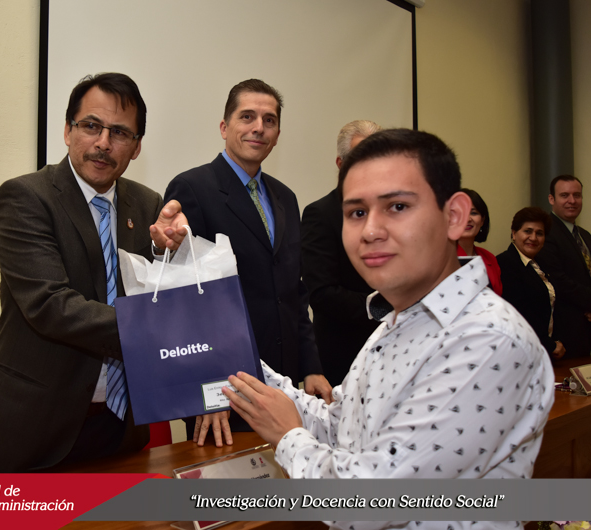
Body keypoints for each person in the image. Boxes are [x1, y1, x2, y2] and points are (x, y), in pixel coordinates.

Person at [224, 129, 553, 529]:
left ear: (454, 216)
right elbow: (340, 425)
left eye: (397, 206)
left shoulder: (487, 338)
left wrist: (288, 437)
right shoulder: (397, 321)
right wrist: (233, 360)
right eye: (356, 213)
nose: (370, 231)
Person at [0, 73, 189, 472]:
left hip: (120, 429)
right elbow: (51, 305)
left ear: (136, 147)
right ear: (68, 131)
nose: (103, 143)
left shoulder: (147, 203)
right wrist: (156, 327)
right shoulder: (26, 197)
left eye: (120, 133)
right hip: (34, 431)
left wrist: (169, 253)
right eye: (91, 126)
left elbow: (157, 293)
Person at [164, 79, 330, 447]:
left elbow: (293, 291)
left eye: (269, 120)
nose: (259, 127)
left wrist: (311, 367)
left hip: (283, 386)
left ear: (277, 135)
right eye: (247, 117)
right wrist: (210, 391)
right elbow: (185, 301)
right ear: (224, 127)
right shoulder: (192, 188)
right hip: (224, 391)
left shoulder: (286, 197)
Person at [302, 120, 382, 385]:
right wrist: (383, 307)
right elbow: (321, 293)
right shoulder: (321, 214)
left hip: (396, 351)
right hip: (344, 359)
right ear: (341, 164)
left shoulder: (394, 212)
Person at [497, 207, 565, 360]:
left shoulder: (541, 264)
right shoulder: (505, 263)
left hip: (542, 352)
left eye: (539, 233)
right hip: (519, 353)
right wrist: (549, 345)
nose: (533, 238)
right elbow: (519, 314)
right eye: (527, 231)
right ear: (514, 233)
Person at [537, 175, 591, 358]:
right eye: (565, 195)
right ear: (551, 199)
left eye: (577, 195)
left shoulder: (585, 236)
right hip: (565, 333)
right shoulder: (545, 233)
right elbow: (558, 280)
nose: (572, 201)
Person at [457, 188, 502, 296]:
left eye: (473, 213)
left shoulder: (490, 258)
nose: (468, 219)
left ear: (482, 221)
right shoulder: (443, 258)